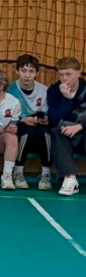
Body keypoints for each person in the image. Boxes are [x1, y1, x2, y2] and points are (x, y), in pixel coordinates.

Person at [7, 54, 51, 190]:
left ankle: (46, 174)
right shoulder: (11, 90)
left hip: (38, 123)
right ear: (17, 71)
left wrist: (42, 119)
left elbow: (46, 112)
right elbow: (7, 114)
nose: (27, 75)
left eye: (31, 71)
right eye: (23, 71)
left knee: (45, 134)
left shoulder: (44, 90)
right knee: (27, 133)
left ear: (36, 73)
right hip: (20, 123)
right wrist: (22, 119)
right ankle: (18, 172)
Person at [48, 57, 86, 197]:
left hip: (83, 131)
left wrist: (80, 126)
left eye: (68, 74)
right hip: (68, 134)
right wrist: (67, 99)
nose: (64, 78)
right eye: (61, 74)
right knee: (56, 132)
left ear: (78, 73)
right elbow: (53, 118)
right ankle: (70, 179)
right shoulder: (54, 90)